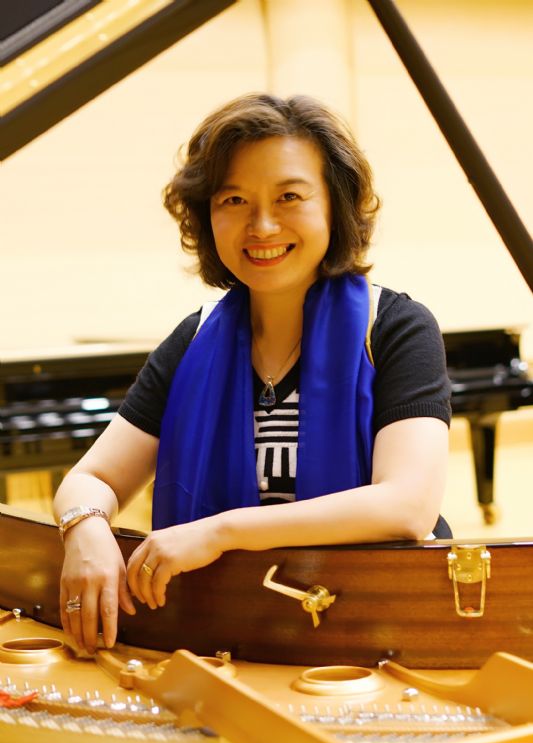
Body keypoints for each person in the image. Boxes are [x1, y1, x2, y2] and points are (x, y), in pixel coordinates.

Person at [53, 93, 451, 655]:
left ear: (335, 205)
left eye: (289, 196)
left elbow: (407, 506)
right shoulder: (193, 339)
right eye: (234, 199)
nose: (261, 225)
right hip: (230, 638)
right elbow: (91, 479)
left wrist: (221, 532)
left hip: (380, 633)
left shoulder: (393, 326)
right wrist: (86, 527)